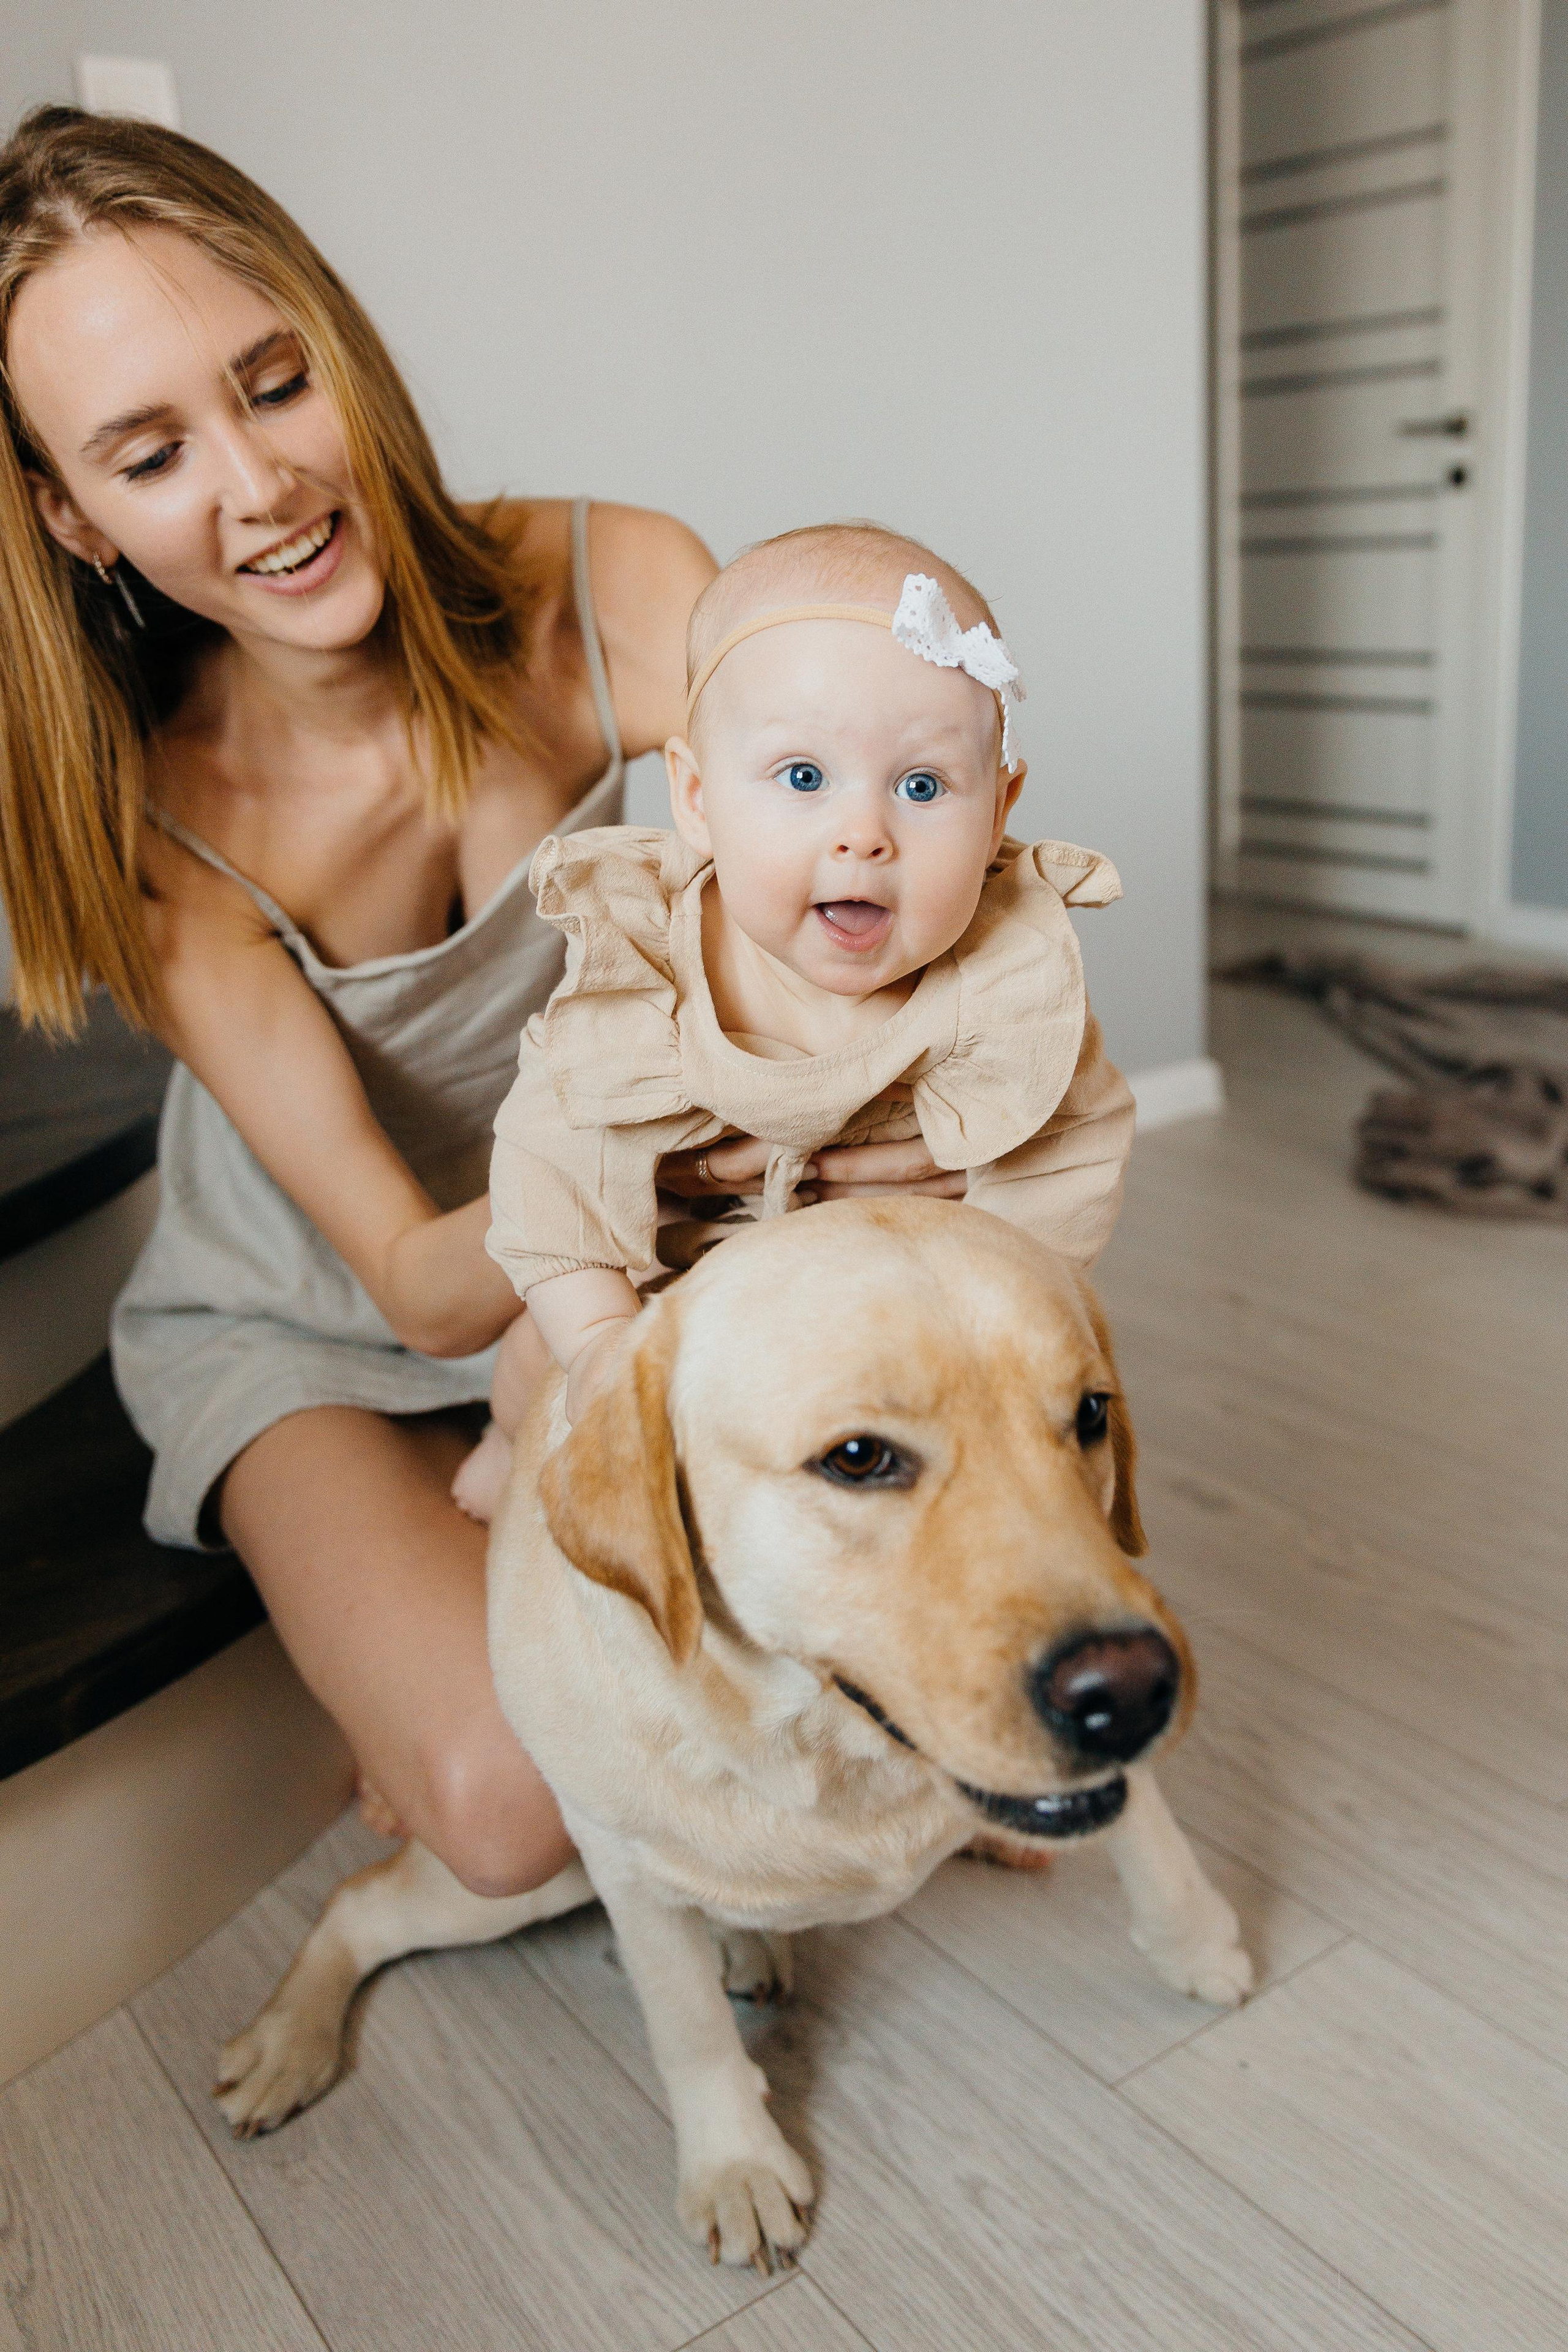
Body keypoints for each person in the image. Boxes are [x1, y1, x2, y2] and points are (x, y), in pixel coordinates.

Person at [0, 108, 960, 1895]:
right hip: (330, 1321)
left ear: (340, 352)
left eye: (276, 383)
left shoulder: (622, 589)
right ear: (75, 519)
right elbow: (417, 1279)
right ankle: (398, 1591)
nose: (263, 485)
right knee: (514, 1817)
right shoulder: (166, 841)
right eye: (149, 456)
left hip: (630, 1261)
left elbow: (883, 908)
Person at [464, 522, 1134, 1510]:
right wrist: (606, 1344)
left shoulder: (1004, 989)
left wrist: (985, 1319)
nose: (863, 835)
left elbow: (1065, 1166)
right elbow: (543, 1169)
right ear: (695, 798)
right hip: (669, 1297)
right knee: (539, 1359)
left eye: (922, 786)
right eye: (804, 778)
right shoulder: (648, 976)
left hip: (900, 1305)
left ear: (1000, 808)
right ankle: (502, 1445)